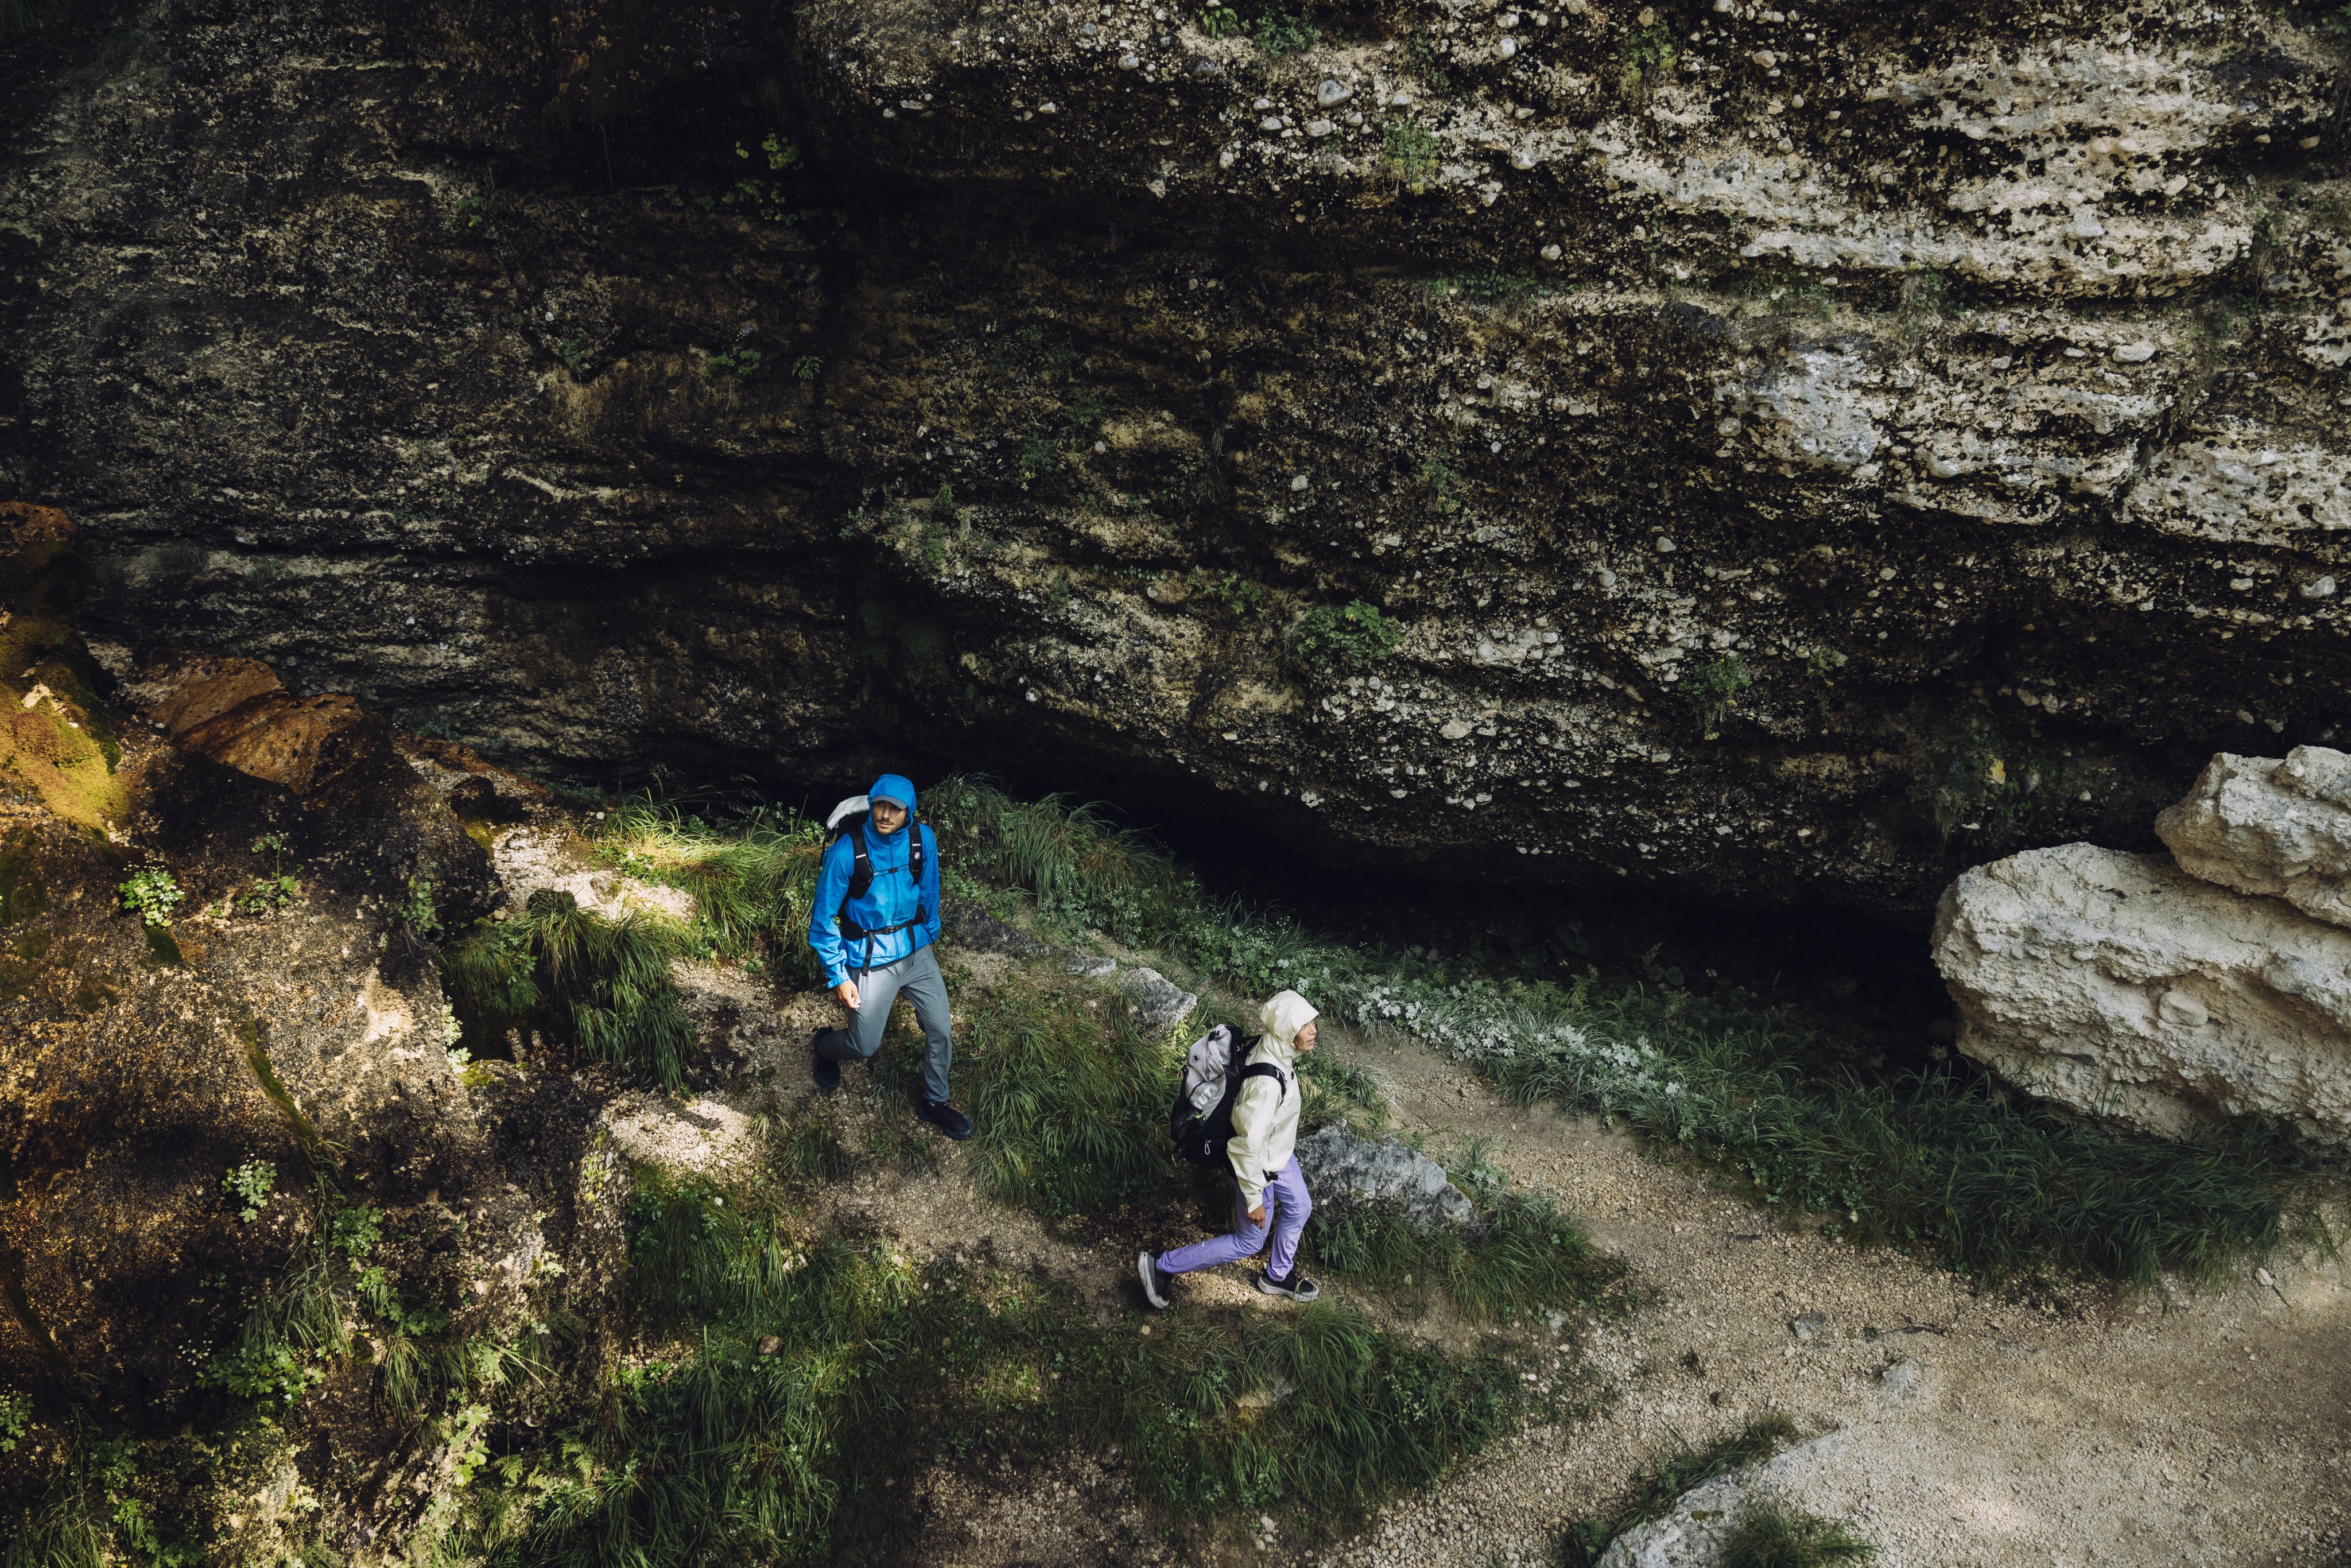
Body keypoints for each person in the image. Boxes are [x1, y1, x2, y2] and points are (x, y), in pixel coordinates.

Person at [806, 774, 973, 1140]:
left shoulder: (921, 839)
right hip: (869, 959)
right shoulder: (847, 851)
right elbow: (822, 920)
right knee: (864, 1045)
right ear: (872, 803)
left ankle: (934, 1102)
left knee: (941, 1030)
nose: (885, 815)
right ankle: (825, 1047)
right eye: (879, 805)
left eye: (895, 809)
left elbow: (929, 890)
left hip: (915, 952)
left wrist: (929, 932)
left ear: (908, 811)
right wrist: (839, 975)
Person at [1138, 989, 1321, 1308]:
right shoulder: (1267, 1084)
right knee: (1249, 1241)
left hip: (1277, 1154)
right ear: (1287, 1030)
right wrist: (1254, 1199)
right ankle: (1161, 1266)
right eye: (1305, 1025)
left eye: (1313, 1023)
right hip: (1256, 1168)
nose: (1313, 1031)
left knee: (1300, 1206)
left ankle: (1277, 1276)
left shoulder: (1276, 1049)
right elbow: (1245, 1145)